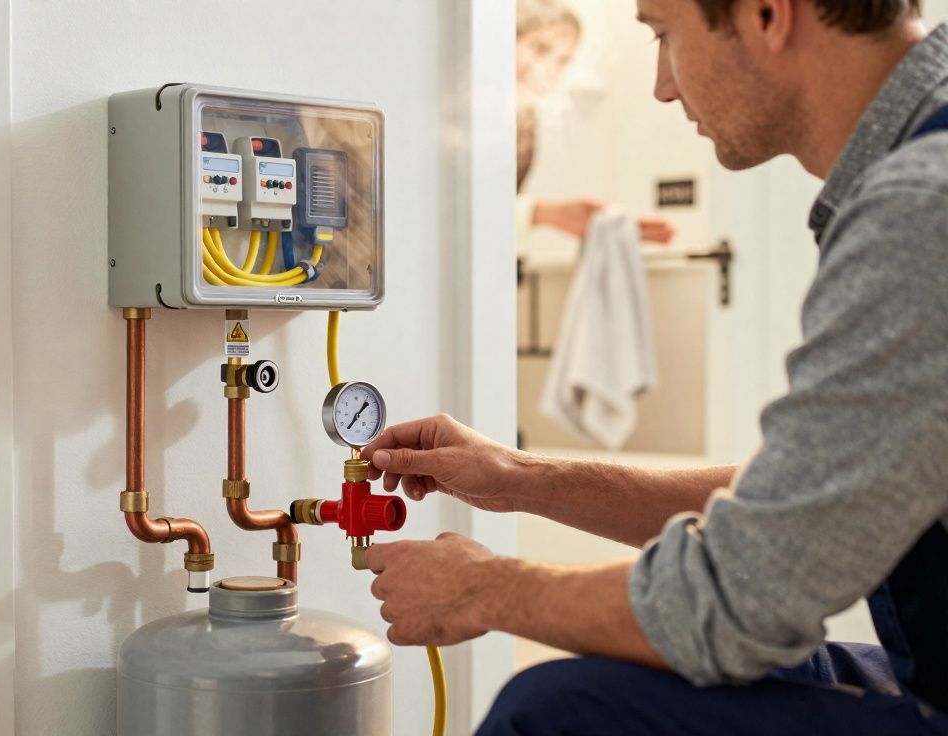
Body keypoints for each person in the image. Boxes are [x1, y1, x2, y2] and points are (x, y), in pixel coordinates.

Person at [366, 0, 948, 733]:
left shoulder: (921, 212)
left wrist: (481, 590)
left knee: (554, 714)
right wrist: (516, 478)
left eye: (664, 35)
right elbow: (791, 510)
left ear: (768, 15)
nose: (661, 86)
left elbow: (733, 601)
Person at [516, 0, 675, 245]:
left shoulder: (525, 119)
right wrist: (547, 214)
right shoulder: (461, 115)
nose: (548, 68)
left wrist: (552, 216)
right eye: (539, 48)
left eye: (562, 60)